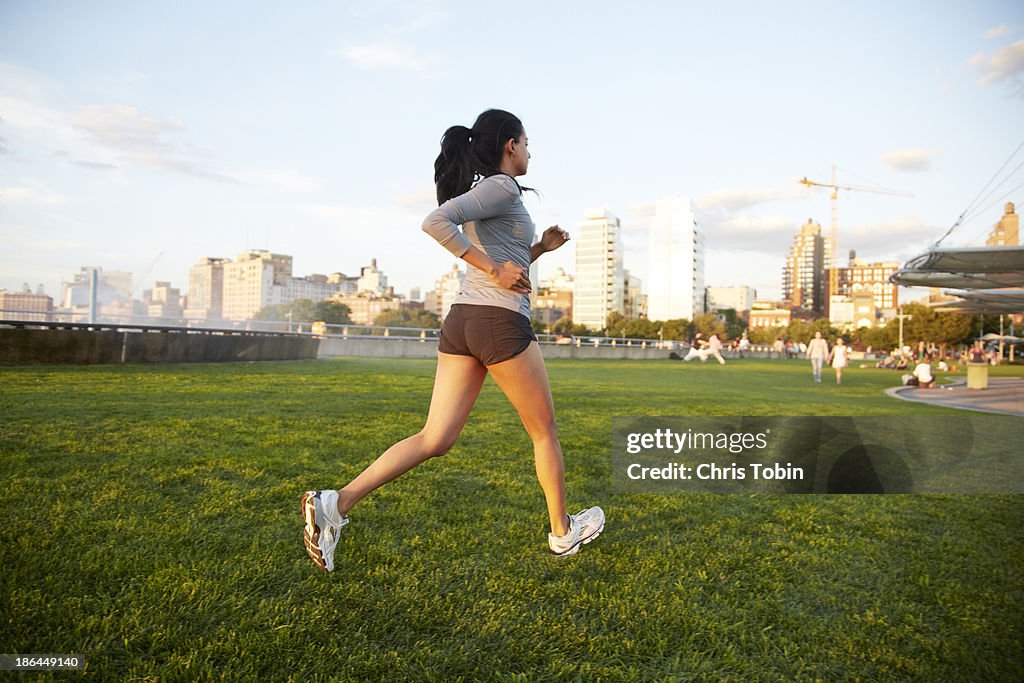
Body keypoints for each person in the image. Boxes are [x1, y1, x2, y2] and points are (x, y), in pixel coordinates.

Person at [301, 109, 604, 572]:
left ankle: (334, 504)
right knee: (544, 433)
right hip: (497, 323)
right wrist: (495, 269)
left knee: (436, 437)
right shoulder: (500, 186)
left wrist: (539, 248)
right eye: (526, 143)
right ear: (509, 144)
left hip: (464, 321)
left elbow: (503, 259)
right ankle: (563, 533)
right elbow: (436, 222)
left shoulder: (491, 192)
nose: (529, 151)